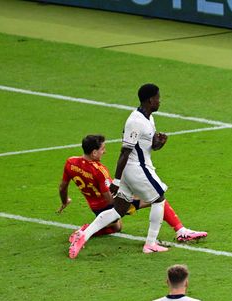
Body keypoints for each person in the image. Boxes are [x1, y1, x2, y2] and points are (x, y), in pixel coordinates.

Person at [70, 83, 188, 258]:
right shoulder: (135, 121)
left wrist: (160, 143)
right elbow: (124, 152)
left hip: (135, 168)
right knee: (159, 199)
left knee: (118, 210)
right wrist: (117, 181)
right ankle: (150, 243)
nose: (159, 101)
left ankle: (83, 236)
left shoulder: (149, 118)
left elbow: (150, 146)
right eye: (158, 98)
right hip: (136, 169)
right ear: (150, 100)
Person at [58, 134, 207, 241]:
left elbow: (63, 187)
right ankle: (180, 230)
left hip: (95, 207)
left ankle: (85, 231)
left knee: (117, 227)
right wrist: (131, 197)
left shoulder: (70, 162)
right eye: (103, 149)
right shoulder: (99, 170)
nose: (105, 151)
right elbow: (110, 199)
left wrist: (65, 201)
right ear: (94, 152)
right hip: (110, 206)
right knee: (156, 197)